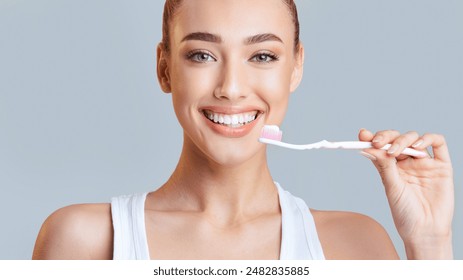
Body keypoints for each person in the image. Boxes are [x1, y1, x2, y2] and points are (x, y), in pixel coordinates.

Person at [32, 0, 454, 260]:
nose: (231, 88)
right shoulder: (83, 241)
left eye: (263, 56)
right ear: (164, 68)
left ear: (297, 66)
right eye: (201, 54)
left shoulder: (356, 245)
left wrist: (430, 243)